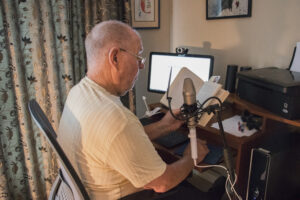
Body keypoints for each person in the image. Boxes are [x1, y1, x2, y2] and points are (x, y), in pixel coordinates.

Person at [58, 20, 222, 200]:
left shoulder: (79, 92)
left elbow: (117, 141)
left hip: (93, 188)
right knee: (203, 186)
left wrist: (163, 126)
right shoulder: (115, 118)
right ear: (115, 58)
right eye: (138, 57)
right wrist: (191, 158)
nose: (142, 65)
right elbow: (163, 183)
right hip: (130, 196)